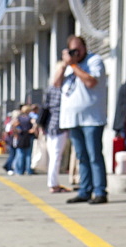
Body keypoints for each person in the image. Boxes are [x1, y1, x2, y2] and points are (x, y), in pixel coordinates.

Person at [56, 35, 108, 204]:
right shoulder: (68, 66)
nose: (75, 53)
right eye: (72, 50)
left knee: (94, 156)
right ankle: (85, 190)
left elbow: (91, 82)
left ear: (84, 48)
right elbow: (56, 84)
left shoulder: (95, 61)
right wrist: (64, 65)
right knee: (81, 157)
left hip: (91, 119)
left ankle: (100, 191)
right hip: (73, 119)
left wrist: (73, 64)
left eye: (78, 50)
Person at [41, 71, 70, 193]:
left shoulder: (50, 89)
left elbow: (45, 107)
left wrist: (41, 125)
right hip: (60, 124)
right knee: (56, 157)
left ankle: (53, 182)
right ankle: (53, 184)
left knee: (53, 156)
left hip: (50, 125)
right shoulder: (64, 90)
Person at [13, 105, 36, 175]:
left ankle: (20, 170)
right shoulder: (30, 118)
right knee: (28, 154)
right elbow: (35, 125)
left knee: (20, 154)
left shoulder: (19, 118)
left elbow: (14, 125)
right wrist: (32, 130)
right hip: (28, 136)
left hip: (21, 136)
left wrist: (16, 132)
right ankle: (29, 170)